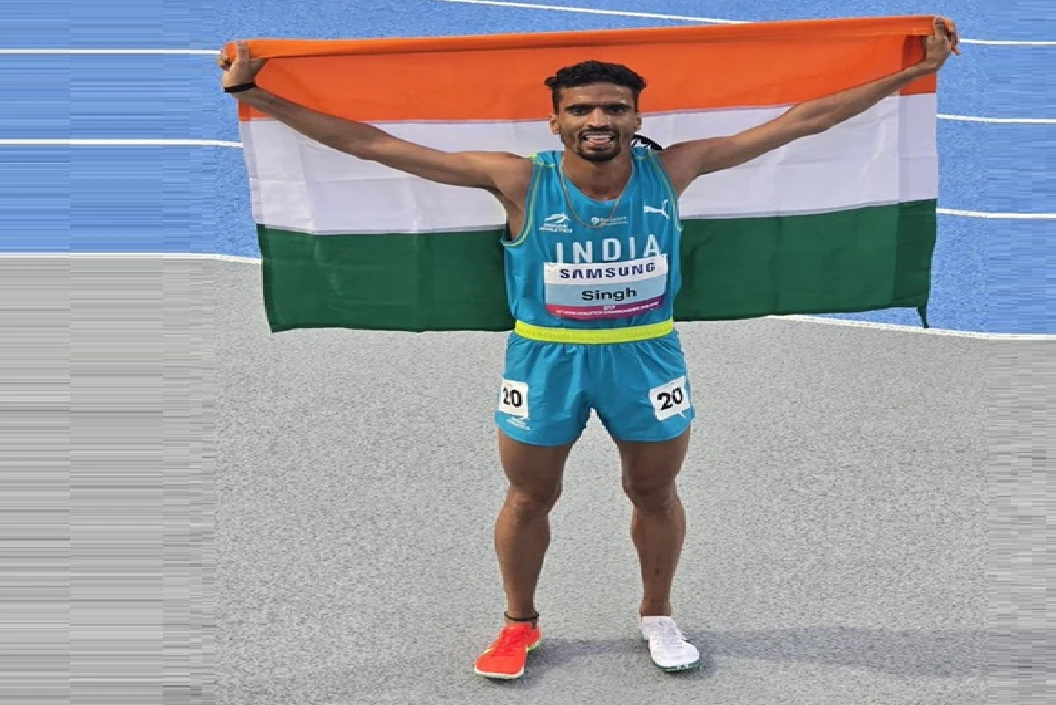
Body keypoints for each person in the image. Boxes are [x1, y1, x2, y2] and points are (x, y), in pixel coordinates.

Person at [218, 17, 959, 680]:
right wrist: (258, 95)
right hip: (547, 359)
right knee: (529, 494)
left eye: (613, 108)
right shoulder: (516, 180)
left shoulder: (673, 170)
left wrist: (913, 71)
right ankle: (519, 623)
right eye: (581, 109)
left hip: (646, 356)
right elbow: (374, 145)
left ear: (637, 117)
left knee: (654, 491)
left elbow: (802, 122)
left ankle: (658, 615)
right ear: (555, 121)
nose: (598, 120)